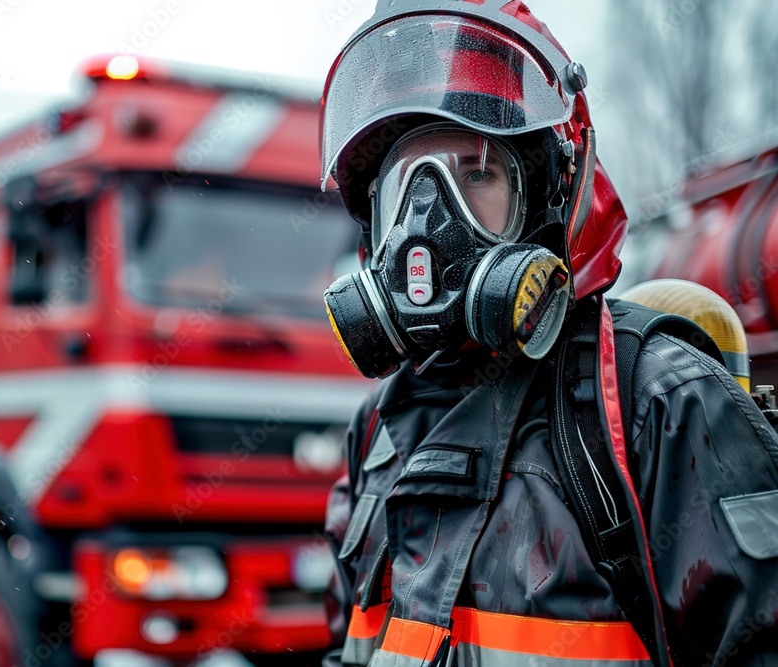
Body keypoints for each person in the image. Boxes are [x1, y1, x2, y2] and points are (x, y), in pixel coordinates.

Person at [317, 1, 778, 666]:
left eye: (474, 173)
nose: (427, 223)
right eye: (404, 190)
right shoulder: (377, 429)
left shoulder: (655, 402)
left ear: (544, 197)